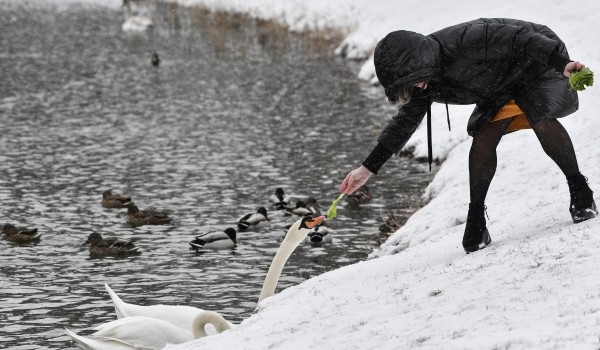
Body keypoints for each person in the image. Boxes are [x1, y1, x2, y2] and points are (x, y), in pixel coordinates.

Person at [338, 18, 598, 254]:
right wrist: (367, 168)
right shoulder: (423, 78)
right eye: (408, 83)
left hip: (536, 57)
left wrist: (561, 63)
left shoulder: (464, 41)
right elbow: (404, 123)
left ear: (420, 62)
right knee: (484, 137)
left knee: (539, 115)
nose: (415, 87)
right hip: (500, 82)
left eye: (414, 80)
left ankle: (580, 190)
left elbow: (519, 39)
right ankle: (476, 220)